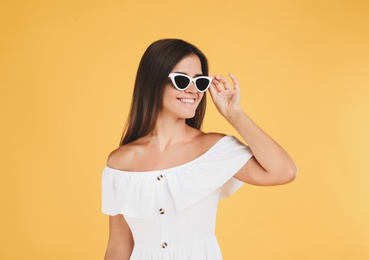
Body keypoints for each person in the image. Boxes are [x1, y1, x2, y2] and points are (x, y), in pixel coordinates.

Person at [101, 39, 297, 260]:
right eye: (182, 80)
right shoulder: (120, 163)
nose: (193, 90)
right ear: (154, 82)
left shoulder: (214, 150)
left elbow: (284, 171)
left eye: (200, 82)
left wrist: (235, 114)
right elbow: (118, 248)